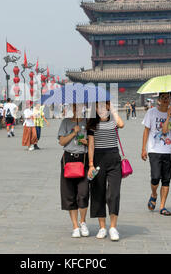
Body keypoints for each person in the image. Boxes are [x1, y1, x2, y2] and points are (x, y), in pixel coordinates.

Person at [87, 101, 125, 241]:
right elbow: (91, 145)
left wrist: (114, 111)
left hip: (114, 159)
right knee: (98, 193)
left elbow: (121, 124)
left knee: (113, 194)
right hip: (98, 160)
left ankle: (113, 227)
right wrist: (90, 164)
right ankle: (102, 227)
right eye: (99, 107)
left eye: (104, 106)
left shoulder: (114, 121)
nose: (102, 110)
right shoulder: (92, 125)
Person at [58, 103, 90, 238]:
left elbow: (93, 141)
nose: (77, 109)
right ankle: (75, 226)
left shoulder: (88, 122)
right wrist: (73, 132)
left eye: (80, 106)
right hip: (69, 159)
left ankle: (83, 222)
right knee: (69, 194)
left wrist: (85, 141)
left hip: (83, 159)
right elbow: (62, 142)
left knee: (83, 193)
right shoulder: (65, 122)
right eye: (75, 106)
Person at [141, 92, 171, 216]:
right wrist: (143, 149)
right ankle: (154, 194)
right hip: (154, 150)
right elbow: (146, 131)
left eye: (167, 98)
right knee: (155, 177)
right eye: (163, 98)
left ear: (170, 99)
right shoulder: (151, 112)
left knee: (166, 180)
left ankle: (162, 206)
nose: (165, 100)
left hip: (169, 150)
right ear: (159, 99)